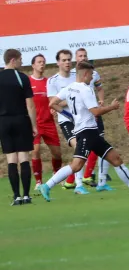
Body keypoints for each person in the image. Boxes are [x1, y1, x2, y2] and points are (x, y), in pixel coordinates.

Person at [39, 61, 129, 201]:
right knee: (76, 165)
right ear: (86, 74)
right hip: (86, 132)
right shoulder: (85, 89)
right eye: (91, 75)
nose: (92, 78)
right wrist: (112, 107)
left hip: (90, 132)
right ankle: (47, 185)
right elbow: (95, 111)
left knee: (116, 158)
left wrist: (70, 116)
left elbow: (52, 103)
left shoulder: (69, 88)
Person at [0, 49, 37, 205]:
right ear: (13, 60)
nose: (22, 62)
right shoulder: (22, 78)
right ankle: (27, 195)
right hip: (21, 120)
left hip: (3, 122)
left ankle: (16, 197)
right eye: (20, 59)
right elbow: (30, 105)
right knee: (23, 158)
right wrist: (34, 125)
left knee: (11, 160)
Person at [47, 49, 87, 192]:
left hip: (81, 119)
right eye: (64, 60)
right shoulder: (52, 81)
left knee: (90, 148)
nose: (67, 62)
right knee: (79, 146)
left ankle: (95, 181)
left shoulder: (77, 76)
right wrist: (69, 102)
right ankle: (79, 185)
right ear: (58, 62)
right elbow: (53, 102)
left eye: (69, 59)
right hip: (66, 119)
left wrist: (64, 100)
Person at [72, 48, 107, 186]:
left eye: (85, 55)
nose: (83, 57)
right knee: (81, 149)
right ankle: (77, 180)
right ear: (76, 58)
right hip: (80, 116)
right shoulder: (73, 75)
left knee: (100, 141)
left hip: (93, 112)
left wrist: (102, 101)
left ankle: (96, 178)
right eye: (80, 56)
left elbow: (100, 88)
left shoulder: (94, 74)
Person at [29, 54, 63, 187]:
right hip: (34, 123)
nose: (42, 64)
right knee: (35, 150)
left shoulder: (49, 82)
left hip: (48, 122)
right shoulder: (28, 82)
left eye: (43, 62)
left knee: (57, 154)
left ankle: (57, 175)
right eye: (39, 62)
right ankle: (38, 181)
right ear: (33, 65)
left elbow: (54, 100)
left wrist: (54, 108)